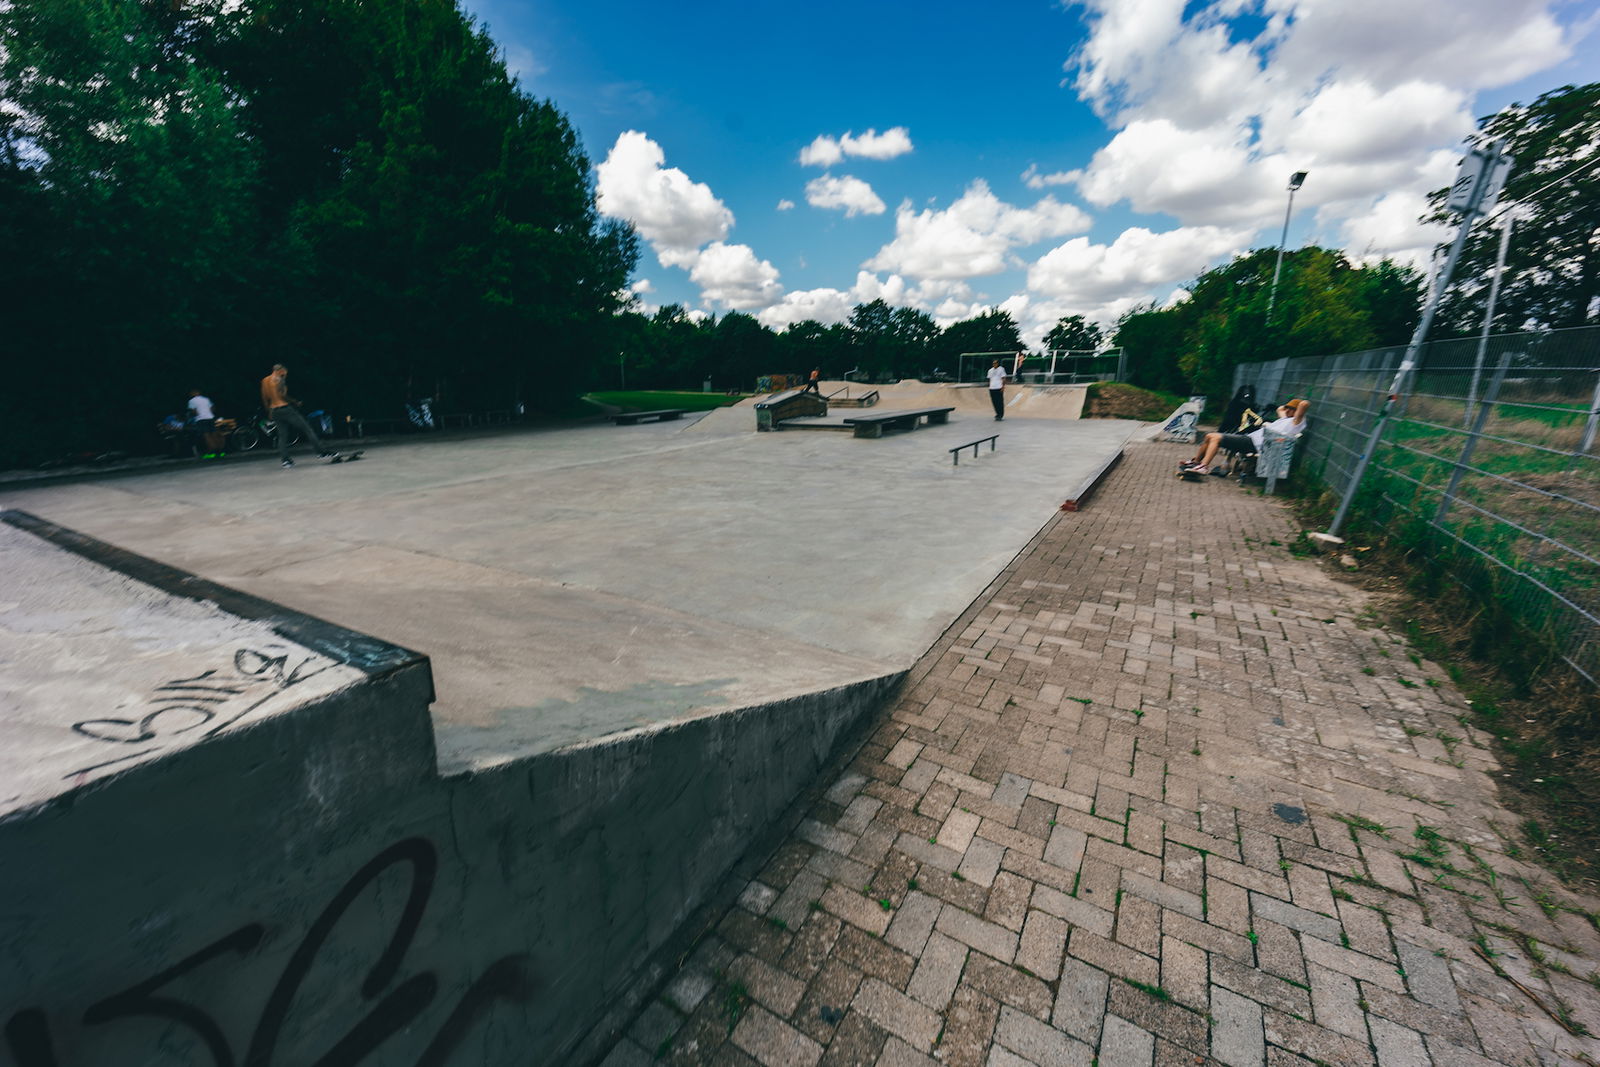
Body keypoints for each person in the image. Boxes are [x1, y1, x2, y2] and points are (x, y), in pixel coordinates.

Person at [1181, 398, 1309, 475]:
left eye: (1291, 409)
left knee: (1215, 438)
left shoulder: (1296, 423)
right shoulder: (1285, 419)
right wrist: (1288, 408)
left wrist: (1298, 407)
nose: (1286, 410)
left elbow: (1304, 405)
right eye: (1287, 408)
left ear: (1297, 412)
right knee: (1209, 436)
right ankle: (1196, 462)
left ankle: (1203, 467)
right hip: (1252, 440)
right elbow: (1280, 409)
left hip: (1256, 444)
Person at [260, 363, 338, 468]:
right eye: (284, 373)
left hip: (274, 411)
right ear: (280, 371)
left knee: (282, 436)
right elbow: (282, 395)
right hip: (285, 409)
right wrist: (295, 402)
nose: (285, 375)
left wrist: (268, 411)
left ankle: (286, 461)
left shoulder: (265, 381)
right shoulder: (279, 379)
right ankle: (321, 452)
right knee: (307, 429)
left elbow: (265, 398)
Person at [185, 389, 221, 458]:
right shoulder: (206, 399)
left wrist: (196, 415)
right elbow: (212, 408)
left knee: (206, 435)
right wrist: (209, 413)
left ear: (194, 393)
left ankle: (211, 452)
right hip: (210, 417)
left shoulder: (191, 401)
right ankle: (219, 451)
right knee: (214, 434)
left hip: (201, 419)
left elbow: (193, 411)